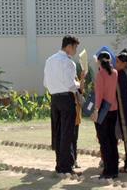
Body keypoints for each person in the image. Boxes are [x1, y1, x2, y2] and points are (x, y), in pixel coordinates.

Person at [43, 35, 81, 175]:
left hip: (54, 99)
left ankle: (59, 164)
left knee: (58, 132)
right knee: (67, 133)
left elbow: (45, 83)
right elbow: (71, 84)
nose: (75, 51)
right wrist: (79, 84)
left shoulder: (49, 60)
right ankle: (66, 166)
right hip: (66, 98)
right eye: (75, 47)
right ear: (69, 46)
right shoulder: (69, 62)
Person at [92, 51, 119, 180]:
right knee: (112, 140)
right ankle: (114, 170)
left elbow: (99, 94)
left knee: (104, 141)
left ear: (98, 61)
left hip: (103, 110)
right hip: (114, 109)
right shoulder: (115, 73)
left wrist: (96, 110)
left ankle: (107, 171)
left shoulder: (100, 74)